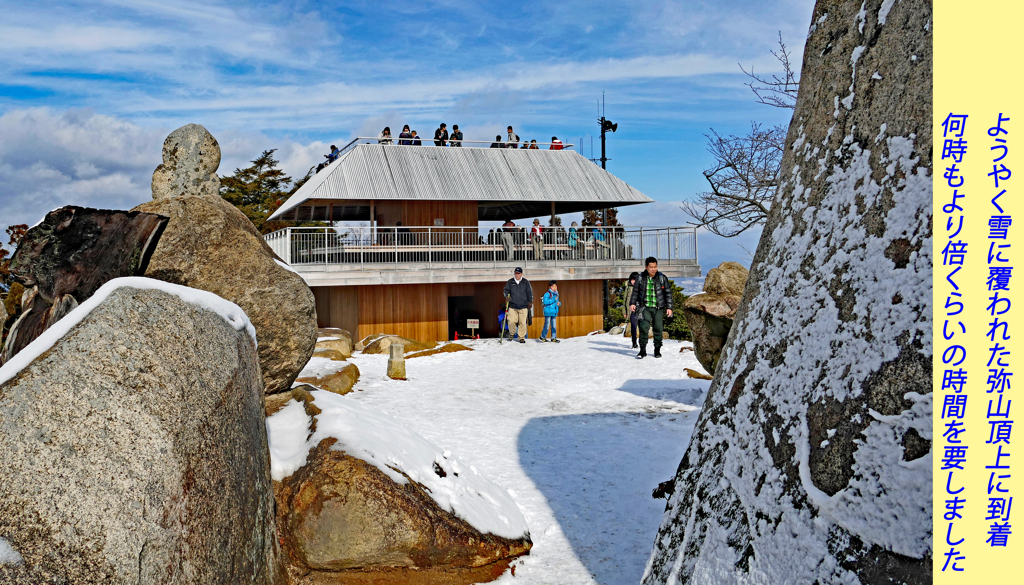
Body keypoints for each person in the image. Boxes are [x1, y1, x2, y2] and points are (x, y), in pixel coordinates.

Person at [629, 257, 674, 359]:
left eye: (655, 267)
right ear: (646, 267)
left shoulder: (662, 278)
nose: (653, 269)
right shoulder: (640, 278)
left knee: (658, 329)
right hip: (644, 307)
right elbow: (635, 292)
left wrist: (669, 307)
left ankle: (657, 349)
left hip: (658, 308)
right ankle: (642, 350)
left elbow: (668, 293)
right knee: (643, 328)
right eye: (651, 267)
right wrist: (632, 303)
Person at [503, 267, 533, 343]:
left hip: (523, 305)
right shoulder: (510, 282)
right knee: (511, 321)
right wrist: (507, 296)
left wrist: (530, 302)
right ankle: (512, 333)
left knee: (522, 322)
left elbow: (529, 292)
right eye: (516, 273)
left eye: (518, 273)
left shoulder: (525, 282)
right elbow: (505, 290)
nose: (517, 275)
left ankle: (521, 337)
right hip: (512, 305)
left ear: (521, 274)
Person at [624, 272, 640, 349]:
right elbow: (625, 300)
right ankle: (634, 342)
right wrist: (624, 311)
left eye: (635, 280)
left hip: (640, 309)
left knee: (641, 326)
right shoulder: (628, 288)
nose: (633, 281)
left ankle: (642, 342)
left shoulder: (641, 287)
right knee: (633, 326)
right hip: (631, 310)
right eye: (632, 279)